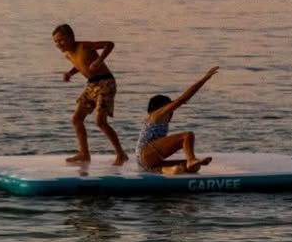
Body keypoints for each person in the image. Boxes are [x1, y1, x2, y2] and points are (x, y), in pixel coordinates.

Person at [53, 23, 127, 166]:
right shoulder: (68, 54)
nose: (58, 44)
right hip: (91, 84)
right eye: (56, 42)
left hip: (106, 83)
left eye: (61, 40)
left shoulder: (84, 46)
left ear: (70, 38)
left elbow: (109, 44)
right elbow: (81, 64)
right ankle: (84, 154)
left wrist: (99, 60)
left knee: (100, 122)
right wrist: (71, 73)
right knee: (77, 119)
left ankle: (121, 154)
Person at [135, 65, 219, 174]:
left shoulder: (156, 116)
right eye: (169, 107)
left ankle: (171, 170)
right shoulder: (158, 113)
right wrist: (205, 79)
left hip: (146, 160)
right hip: (146, 153)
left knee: (191, 167)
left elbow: (183, 100)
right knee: (187, 136)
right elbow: (183, 98)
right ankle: (191, 159)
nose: (171, 110)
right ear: (162, 106)